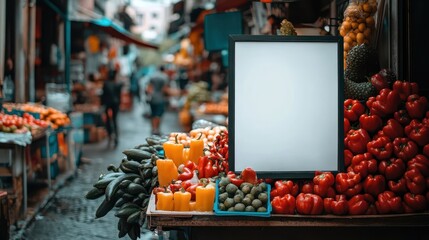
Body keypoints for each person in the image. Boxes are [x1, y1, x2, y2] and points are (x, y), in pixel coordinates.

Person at [101, 69, 123, 147]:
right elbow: (119, 95)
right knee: (114, 120)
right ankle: (116, 137)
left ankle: (110, 136)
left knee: (108, 120)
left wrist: (102, 104)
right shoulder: (118, 84)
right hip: (115, 104)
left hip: (108, 104)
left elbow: (103, 95)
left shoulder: (106, 84)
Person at [145, 66, 170, 135]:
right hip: (160, 98)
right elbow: (164, 89)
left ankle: (153, 129)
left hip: (152, 98)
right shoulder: (165, 77)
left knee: (153, 113)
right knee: (158, 114)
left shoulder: (152, 76)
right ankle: (157, 129)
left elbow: (148, 88)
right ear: (164, 70)